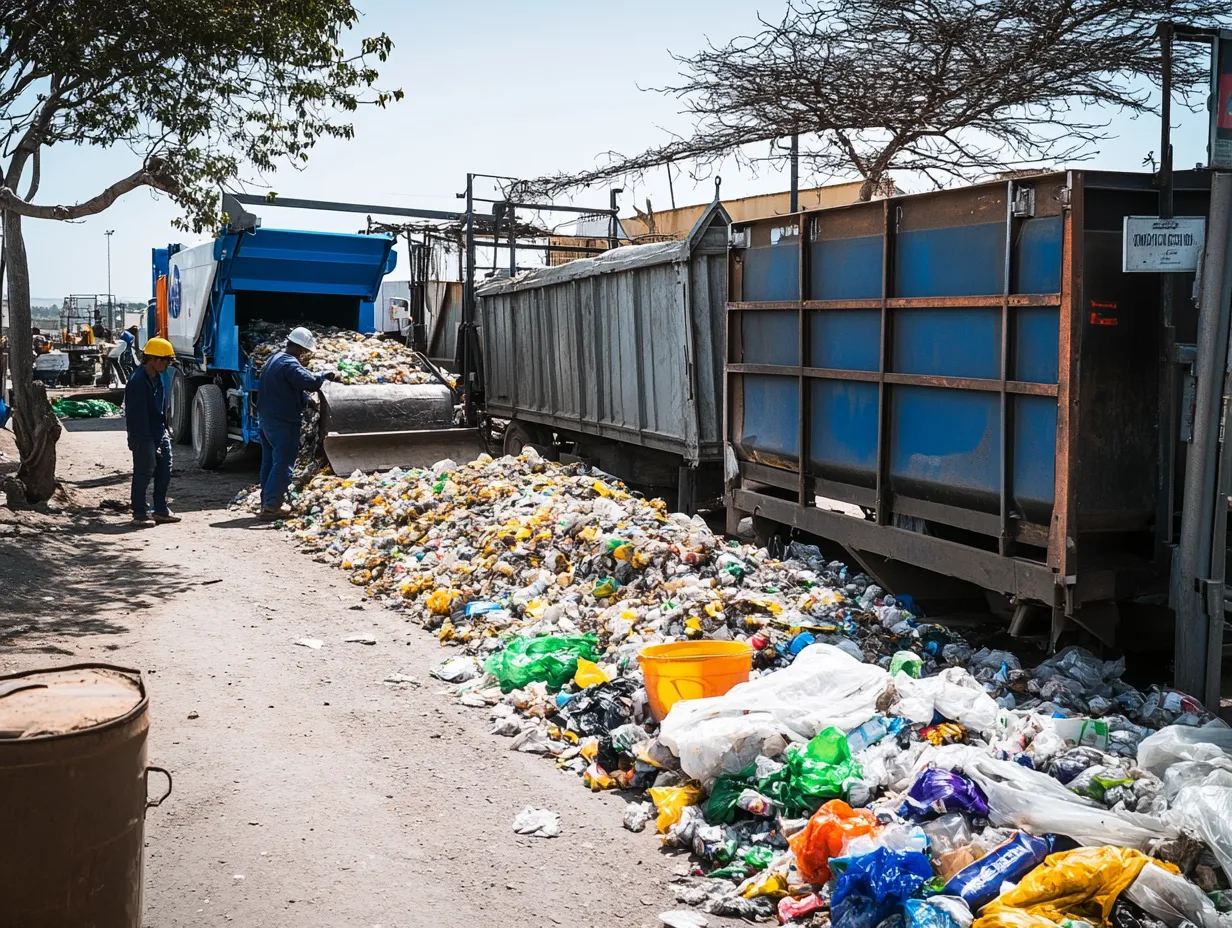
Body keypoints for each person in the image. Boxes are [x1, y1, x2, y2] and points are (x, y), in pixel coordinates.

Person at [256, 326, 336, 520]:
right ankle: (271, 507)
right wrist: (326, 377)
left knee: (269, 462)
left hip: (267, 420)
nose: (304, 355)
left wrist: (305, 400)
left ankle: (266, 501)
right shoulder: (289, 364)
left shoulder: (273, 360)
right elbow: (310, 382)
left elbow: (284, 387)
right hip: (283, 422)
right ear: (300, 348)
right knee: (283, 463)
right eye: (305, 351)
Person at [125, 336, 182, 527]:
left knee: (165, 469)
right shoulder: (138, 381)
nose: (166, 364)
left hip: (157, 431)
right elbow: (137, 416)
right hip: (143, 434)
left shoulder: (156, 377)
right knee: (144, 471)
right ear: (151, 359)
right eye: (163, 360)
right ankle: (139, 513)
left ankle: (160, 510)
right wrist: (149, 441)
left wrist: (161, 436)